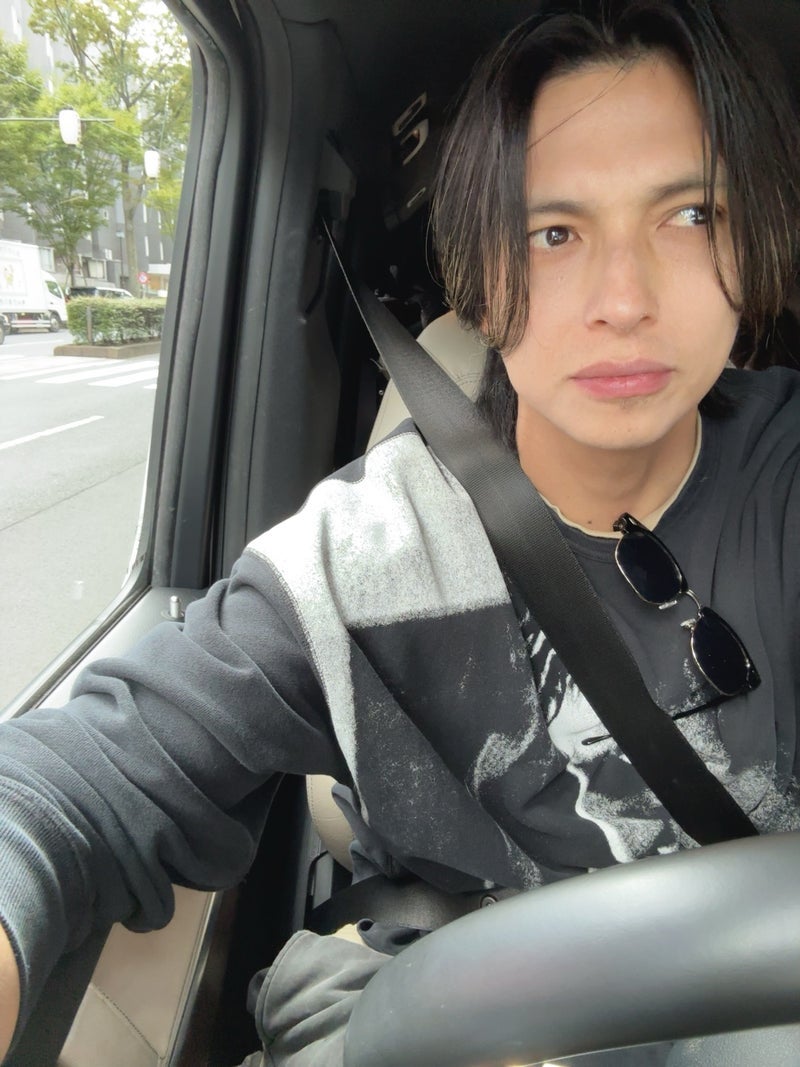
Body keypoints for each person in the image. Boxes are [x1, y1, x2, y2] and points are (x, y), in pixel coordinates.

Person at [1, 0, 800, 1063]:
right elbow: (74, 782)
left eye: (688, 215)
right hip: (451, 1019)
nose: (624, 298)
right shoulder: (365, 556)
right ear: (480, 272)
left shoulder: (783, 473)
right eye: (552, 232)